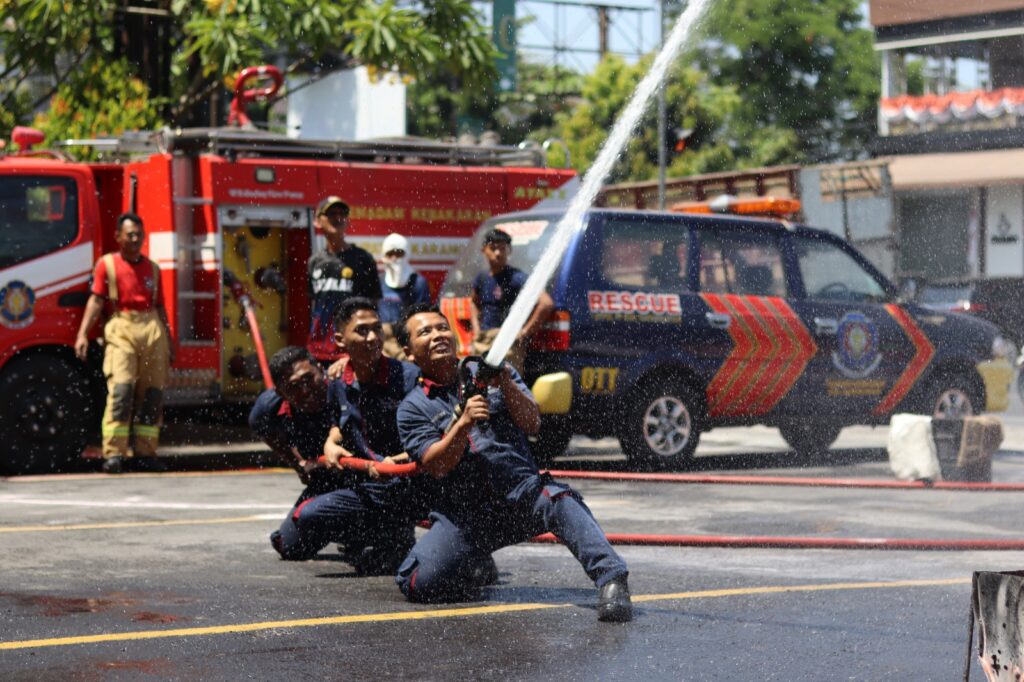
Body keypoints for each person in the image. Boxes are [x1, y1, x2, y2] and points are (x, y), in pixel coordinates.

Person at [393, 304, 632, 621]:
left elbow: (532, 423)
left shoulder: (490, 371)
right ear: (409, 352)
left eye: (441, 328)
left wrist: (505, 380)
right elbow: (436, 465)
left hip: (522, 498)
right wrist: (462, 425)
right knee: (416, 583)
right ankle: (474, 565)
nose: (437, 335)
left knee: (559, 500)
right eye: (425, 332)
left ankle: (612, 580)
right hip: (466, 519)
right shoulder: (412, 408)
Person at [252, 344, 415, 572]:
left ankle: (388, 537)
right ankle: (353, 532)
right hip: (326, 480)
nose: (306, 390)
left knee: (313, 515)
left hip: (367, 479)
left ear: (322, 369)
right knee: (287, 545)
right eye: (294, 387)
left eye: (309, 378)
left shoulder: (343, 387)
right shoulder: (268, 407)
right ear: (281, 393)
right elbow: (261, 427)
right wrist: (297, 463)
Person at [74, 213, 174, 474]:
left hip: (152, 328)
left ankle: (146, 453)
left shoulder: (153, 268)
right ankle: (114, 453)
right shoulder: (106, 264)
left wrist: (169, 340)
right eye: (129, 234)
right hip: (121, 327)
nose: (134, 238)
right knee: (121, 392)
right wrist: (82, 334)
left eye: (138, 234)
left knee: (152, 394)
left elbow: (161, 307)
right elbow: (96, 301)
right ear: (118, 237)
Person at [307, 196, 382, 363]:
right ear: (318, 222)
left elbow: (374, 305)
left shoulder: (363, 258)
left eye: (342, 213)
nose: (337, 218)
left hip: (353, 350)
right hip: (320, 350)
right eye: (331, 213)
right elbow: (314, 307)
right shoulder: (315, 262)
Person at [470, 228, 553, 375]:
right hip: (483, 340)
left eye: (503, 248)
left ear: (509, 251)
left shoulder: (517, 278)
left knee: (507, 386)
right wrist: (476, 329)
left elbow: (546, 303)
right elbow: (474, 302)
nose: (498, 253)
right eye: (493, 248)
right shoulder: (481, 278)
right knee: (480, 383)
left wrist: (524, 332)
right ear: (484, 250)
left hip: (507, 343)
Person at [377, 232, 431, 360]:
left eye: (399, 253)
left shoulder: (418, 282)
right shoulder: (378, 281)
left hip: (407, 341)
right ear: (384, 256)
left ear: (407, 254)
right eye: (390, 254)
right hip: (383, 342)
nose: (394, 258)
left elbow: (422, 314)